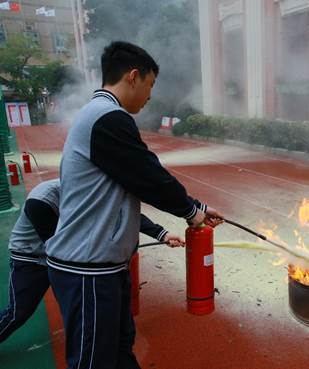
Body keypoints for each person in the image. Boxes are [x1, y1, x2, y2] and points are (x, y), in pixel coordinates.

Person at [45, 41, 223, 369]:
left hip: (104, 266)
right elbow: (150, 177)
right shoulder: (109, 117)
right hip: (88, 267)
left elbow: (139, 180)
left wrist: (195, 206)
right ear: (133, 77)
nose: (150, 95)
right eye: (150, 85)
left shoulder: (99, 115)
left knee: (119, 355)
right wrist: (193, 212)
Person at [0, 178, 184, 343]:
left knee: (84, 309)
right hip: (31, 258)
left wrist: (163, 234)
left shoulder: (88, 194)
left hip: (65, 256)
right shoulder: (41, 200)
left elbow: (125, 215)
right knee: (18, 312)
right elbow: (58, 247)